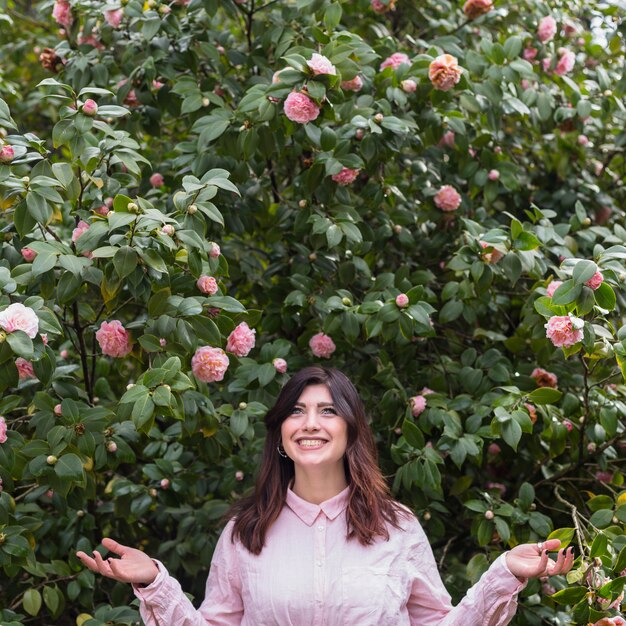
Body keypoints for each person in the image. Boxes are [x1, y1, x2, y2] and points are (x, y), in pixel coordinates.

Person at [76, 366, 574, 625]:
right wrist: (155, 583)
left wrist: (503, 573)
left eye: (328, 411)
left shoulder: (397, 527)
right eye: (297, 411)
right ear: (280, 432)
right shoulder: (245, 533)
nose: (311, 423)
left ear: (352, 430)